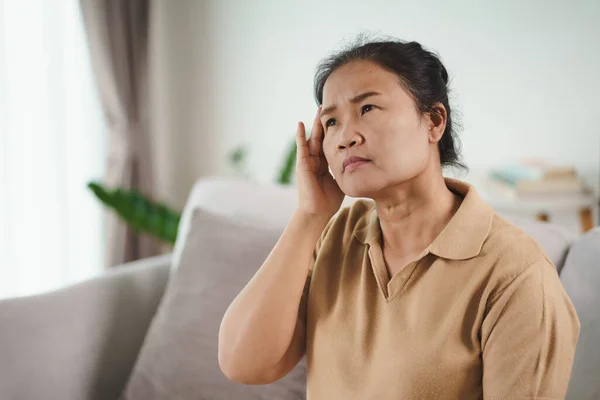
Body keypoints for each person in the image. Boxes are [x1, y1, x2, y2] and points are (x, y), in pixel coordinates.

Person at [218, 37, 580, 399]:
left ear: (434, 122)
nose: (346, 137)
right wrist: (309, 217)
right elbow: (245, 364)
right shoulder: (335, 236)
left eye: (368, 108)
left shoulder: (516, 275)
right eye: (330, 122)